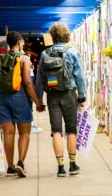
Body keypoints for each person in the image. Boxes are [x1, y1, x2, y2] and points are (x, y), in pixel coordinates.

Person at [36, 23, 86, 177]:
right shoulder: (72, 52)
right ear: (66, 36)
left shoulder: (45, 54)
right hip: (69, 94)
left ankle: (60, 167)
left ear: (53, 36)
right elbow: (79, 77)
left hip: (52, 95)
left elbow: (39, 79)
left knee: (56, 131)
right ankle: (72, 165)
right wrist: (82, 96)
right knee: (71, 130)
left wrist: (39, 101)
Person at [0, 31, 45, 177]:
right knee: (24, 132)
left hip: (1, 98)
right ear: (20, 42)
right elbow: (27, 83)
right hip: (19, 97)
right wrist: (38, 102)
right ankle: (20, 162)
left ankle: (10, 167)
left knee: (8, 133)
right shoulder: (24, 59)